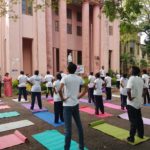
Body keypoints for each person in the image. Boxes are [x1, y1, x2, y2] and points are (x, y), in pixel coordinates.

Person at [59, 62, 87, 150]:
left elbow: (59, 89)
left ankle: (66, 148)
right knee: (79, 126)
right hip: (75, 104)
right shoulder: (78, 78)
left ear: (68, 69)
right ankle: (81, 147)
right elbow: (86, 88)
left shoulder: (65, 78)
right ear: (75, 70)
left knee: (68, 130)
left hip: (67, 105)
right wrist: (79, 96)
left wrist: (62, 98)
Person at [126, 66, 145, 143]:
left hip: (132, 103)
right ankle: (140, 134)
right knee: (139, 119)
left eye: (130, 69)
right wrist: (140, 96)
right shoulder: (140, 79)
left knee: (133, 121)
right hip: (138, 103)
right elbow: (145, 89)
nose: (129, 70)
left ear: (133, 71)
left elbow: (128, 90)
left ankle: (131, 137)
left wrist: (130, 98)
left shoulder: (131, 78)